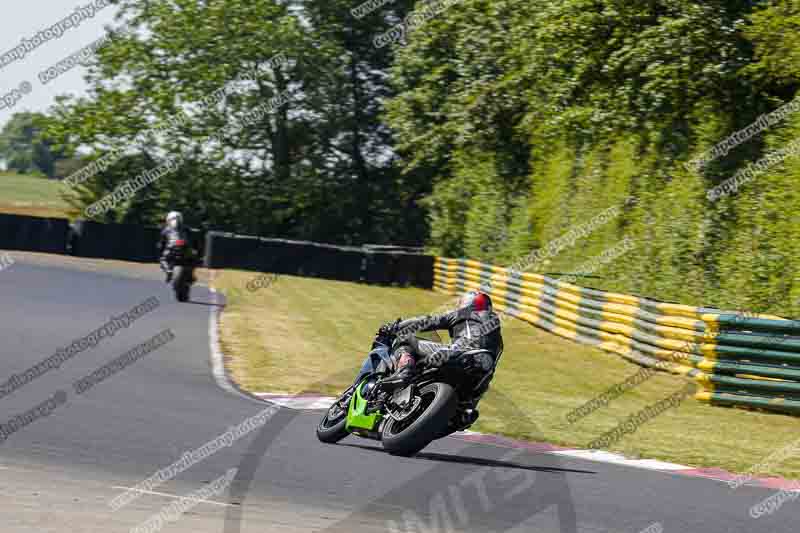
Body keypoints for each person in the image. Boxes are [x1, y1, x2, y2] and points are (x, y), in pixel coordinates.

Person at [383, 291, 503, 389]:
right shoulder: (496, 330)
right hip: (481, 373)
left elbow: (427, 322)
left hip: (459, 354)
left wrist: (396, 326)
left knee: (405, 339)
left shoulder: (464, 313)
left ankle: (404, 371)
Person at [158, 211, 191, 283]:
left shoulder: (166, 230)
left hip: (171, 247)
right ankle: (190, 274)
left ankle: (168, 271)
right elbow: (190, 239)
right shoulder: (186, 228)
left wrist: (160, 246)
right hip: (184, 247)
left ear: (169, 220)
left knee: (162, 260)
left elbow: (161, 243)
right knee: (192, 259)